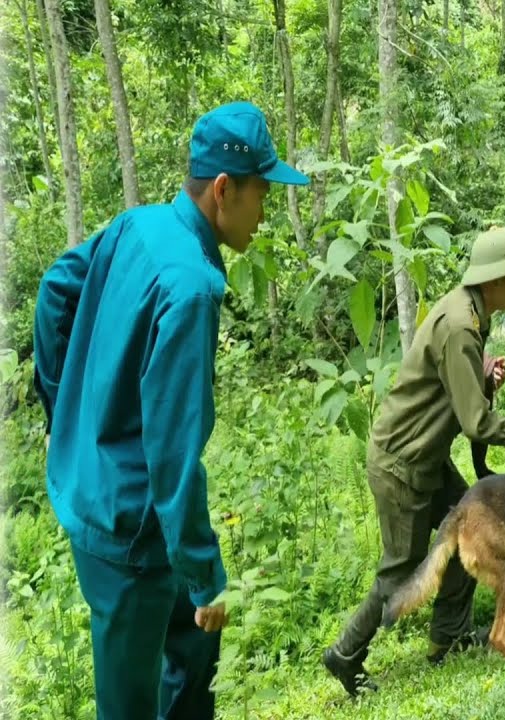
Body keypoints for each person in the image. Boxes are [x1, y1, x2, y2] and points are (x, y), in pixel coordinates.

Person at [32, 101, 310, 719]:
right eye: (262, 191)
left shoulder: (139, 225)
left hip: (97, 493)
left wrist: (60, 416)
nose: (266, 211)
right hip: (126, 530)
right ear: (222, 190)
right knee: (128, 704)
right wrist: (206, 574)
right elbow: (173, 453)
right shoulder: (191, 288)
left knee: (193, 655)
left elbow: (56, 288)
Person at [323, 225, 505, 697]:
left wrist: (483, 378)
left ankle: (449, 636)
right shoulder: (462, 325)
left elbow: (457, 397)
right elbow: (476, 424)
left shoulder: (469, 314)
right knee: (400, 570)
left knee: (470, 523)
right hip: (403, 462)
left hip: (424, 455)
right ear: (496, 279)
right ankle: (344, 654)